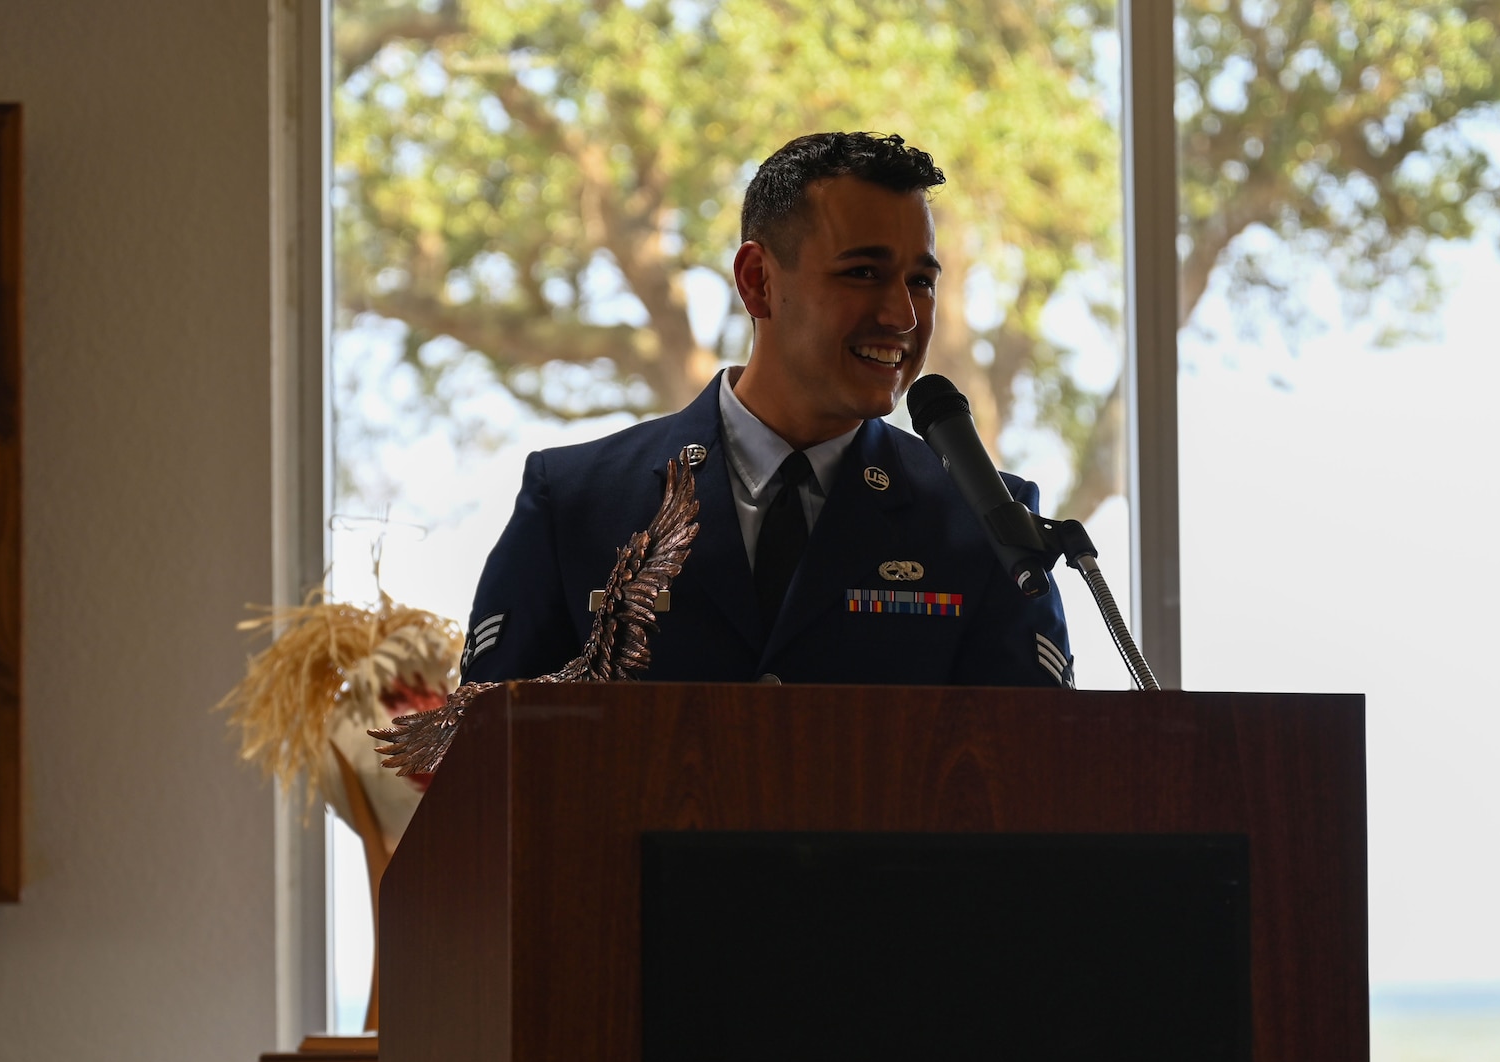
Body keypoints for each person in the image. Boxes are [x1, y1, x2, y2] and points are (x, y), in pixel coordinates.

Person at [458, 131, 1074, 689]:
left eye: (920, 281)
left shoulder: (989, 527)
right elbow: (488, 770)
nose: (902, 317)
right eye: (862, 272)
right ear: (757, 281)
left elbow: (1031, 782)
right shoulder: (574, 503)